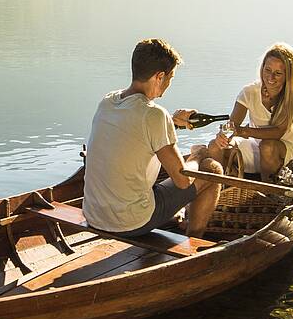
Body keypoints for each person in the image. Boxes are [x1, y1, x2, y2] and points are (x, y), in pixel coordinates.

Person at [84, 38, 232, 239]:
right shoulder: (154, 115)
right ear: (159, 76)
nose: (168, 85)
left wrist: (172, 123)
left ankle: (171, 215)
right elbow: (183, 181)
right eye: (170, 78)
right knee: (211, 169)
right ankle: (193, 241)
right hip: (130, 223)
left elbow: (135, 128)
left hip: (93, 215)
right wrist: (197, 156)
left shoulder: (108, 102)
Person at [227, 42, 293, 184]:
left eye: (278, 73)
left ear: (288, 75)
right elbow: (232, 126)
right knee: (217, 146)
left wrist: (243, 131)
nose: (271, 77)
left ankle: (268, 193)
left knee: (268, 146)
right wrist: (223, 136)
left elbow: (279, 132)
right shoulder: (249, 91)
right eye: (267, 70)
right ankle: (221, 191)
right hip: (258, 148)